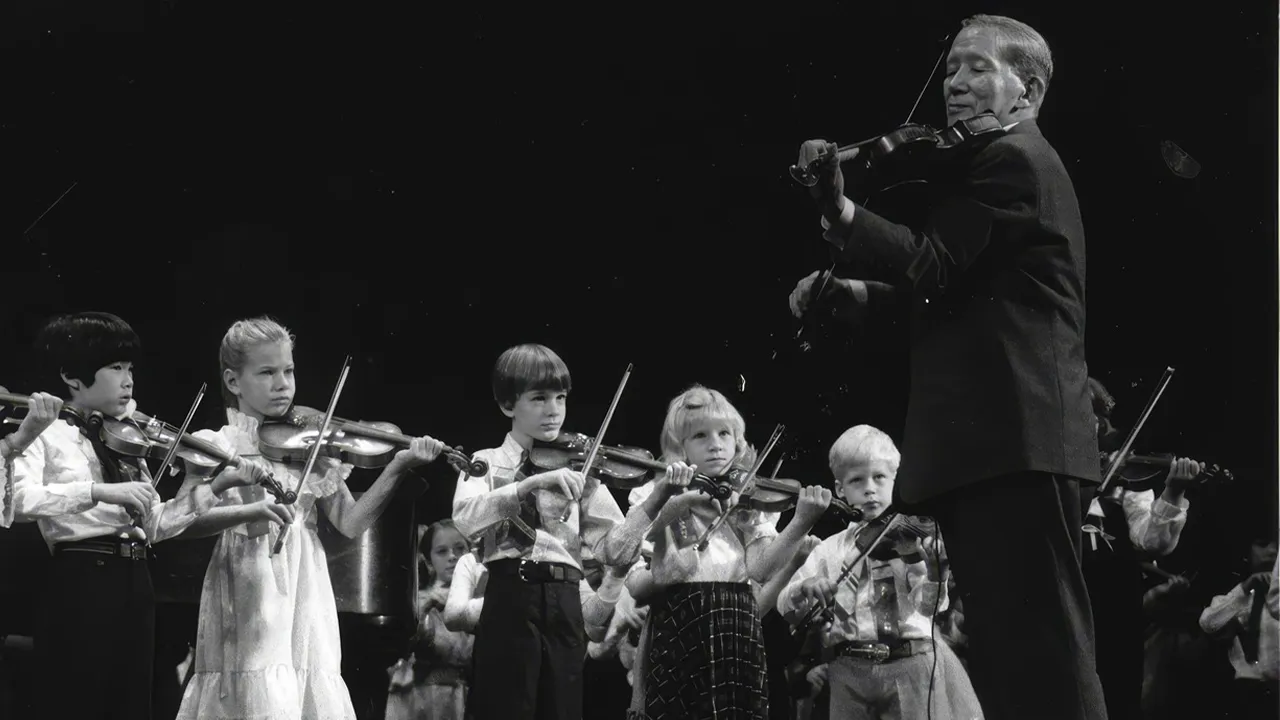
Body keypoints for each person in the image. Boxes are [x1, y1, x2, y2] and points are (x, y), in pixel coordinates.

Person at [789, 14, 1105, 720]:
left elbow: (932, 265)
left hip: (1015, 443)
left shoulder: (1010, 160)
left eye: (977, 68)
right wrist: (856, 298)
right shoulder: (998, 163)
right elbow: (958, 298)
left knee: (1045, 657)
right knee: (1018, 657)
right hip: (1003, 446)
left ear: (1027, 88)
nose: (955, 84)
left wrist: (842, 211)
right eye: (952, 68)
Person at [174, 316, 445, 720]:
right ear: (233, 382)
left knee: (305, 683)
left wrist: (397, 467)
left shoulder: (309, 449)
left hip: (305, 582)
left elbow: (350, 524)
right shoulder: (217, 444)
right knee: (253, 683)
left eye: (289, 370)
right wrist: (237, 509)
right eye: (266, 372)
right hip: (247, 582)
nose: (283, 383)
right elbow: (182, 521)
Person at [9, 311, 266, 720]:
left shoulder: (126, 438)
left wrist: (214, 487)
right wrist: (98, 491)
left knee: (130, 705)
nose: (128, 379)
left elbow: (155, 526)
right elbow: (19, 500)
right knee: (78, 702)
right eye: (115, 368)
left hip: (136, 582)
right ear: (72, 377)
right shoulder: (46, 432)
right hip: (81, 580)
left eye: (130, 368)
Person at [451, 343, 656, 720]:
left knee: (560, 710)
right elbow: (466, 517)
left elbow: (612, 550)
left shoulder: (582, 470)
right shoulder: (486, 461)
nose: (554, 410)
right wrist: (529, 485)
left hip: (565, 601)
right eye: (540, 398)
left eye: (560, 397)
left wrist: (654, 503)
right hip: (510, 596)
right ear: (508, 405)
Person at [625, 384, 830, 720]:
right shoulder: (658, 494)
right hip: (679, 620)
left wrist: (802, 521)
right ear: (680, 447)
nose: (716, 444)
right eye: (700, 436)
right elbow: (639, 583)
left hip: (736, 622)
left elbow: (760, 568)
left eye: (725, 433)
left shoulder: (747, 500)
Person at [777, 425, 982, 719]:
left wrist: (936, 574)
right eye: (857, 480)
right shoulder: (830, 549)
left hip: (909, 664)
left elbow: (928, 608)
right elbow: (785, 604)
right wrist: (806, 586)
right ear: (840, 489)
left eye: (879, 477)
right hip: (849, 668)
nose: (870, 488)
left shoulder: (910, 542)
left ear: (895, 480)